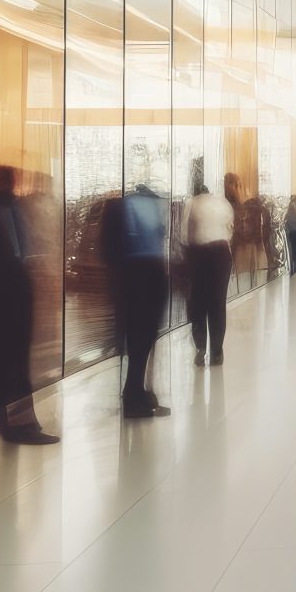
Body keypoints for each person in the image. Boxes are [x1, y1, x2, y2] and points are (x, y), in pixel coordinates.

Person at [0, 166, 53, 443]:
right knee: (14, 360)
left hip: (0, 291)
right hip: (7, 291)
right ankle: (18, 424)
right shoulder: (0, 210)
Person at [100, 177, 171, 419]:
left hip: (132, 278)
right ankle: (135, 396)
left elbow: (107, 250)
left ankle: (136, 393)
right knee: (142, 341)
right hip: (147, 277)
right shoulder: (142, 207)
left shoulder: (120, 207)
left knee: (138, 340)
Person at [183, 171, 233, 366]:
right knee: (217, 303)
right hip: (221, 254)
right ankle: (217, 352)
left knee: (197, 302)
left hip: (199, 254)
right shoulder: (222, 203)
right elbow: (230, 229)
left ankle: (200, 347)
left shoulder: (191, 204)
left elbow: (183, 234)